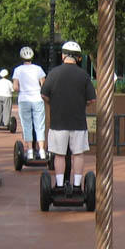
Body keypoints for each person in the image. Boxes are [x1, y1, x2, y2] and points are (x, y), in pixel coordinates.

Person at [39, 40, 95, 190]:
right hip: (78, 123)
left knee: (59, 155)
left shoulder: (54, 73)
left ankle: (59, 184)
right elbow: (91, 99)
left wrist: (53, 102)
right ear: (78, 57)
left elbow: (44, 95)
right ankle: (77, 185)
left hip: (58, 122)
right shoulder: (83, 75)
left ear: (63, 55)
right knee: (78, 154)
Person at [12, 46, 47, 159]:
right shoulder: (38, 69)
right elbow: (44, 85)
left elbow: (15, 87)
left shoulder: (18, 70)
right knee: (40, 125)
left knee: (27, 125)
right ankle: (41, 150)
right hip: (37, 98)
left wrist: (22, 88)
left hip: (24, 99)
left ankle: (30, 151)